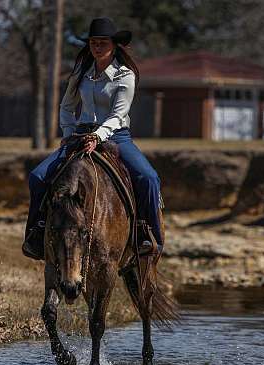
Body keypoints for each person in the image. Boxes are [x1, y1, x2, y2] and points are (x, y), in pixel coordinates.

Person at [22, 17, 163, 260]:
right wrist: (68, 134)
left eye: (103, 42)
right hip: (79, 135)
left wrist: (97, 137)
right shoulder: (80, 73)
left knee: (149, 178)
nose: (97, 47)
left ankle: (148, 237)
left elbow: (118, 115)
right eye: (93, 42)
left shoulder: (125, 75)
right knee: (37, 177)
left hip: (116, 136)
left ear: (114, 45)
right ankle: (37, 233)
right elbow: (67, 107)